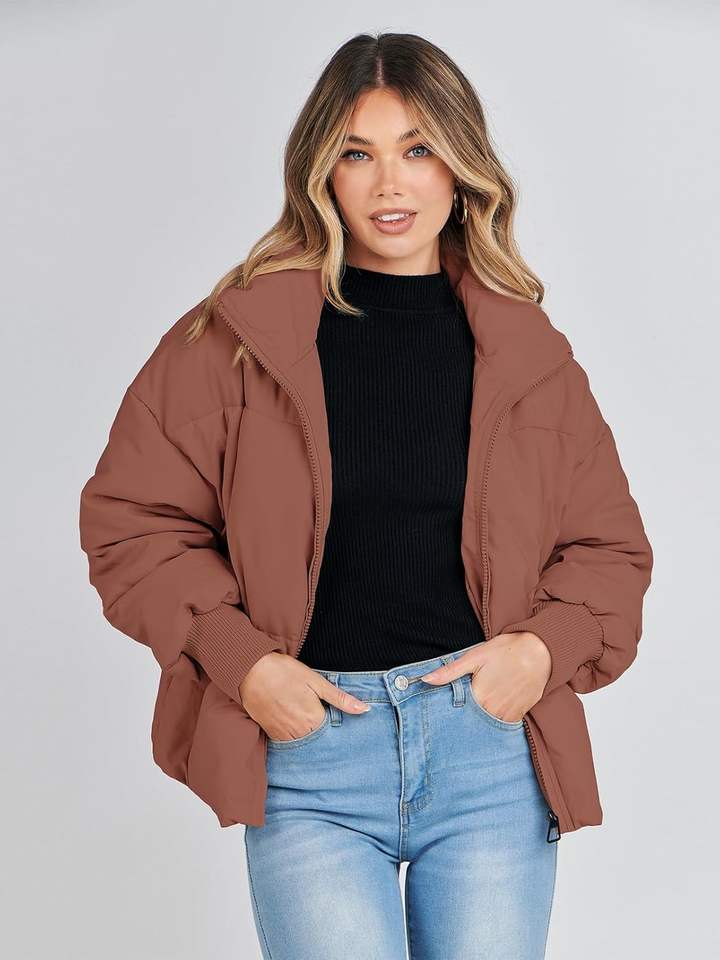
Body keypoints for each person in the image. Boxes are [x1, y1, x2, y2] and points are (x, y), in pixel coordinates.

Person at [79, 31, 654, 960]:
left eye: (418, 149)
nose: (391, 184)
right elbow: (133, 524)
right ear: (321, 174)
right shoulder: (232, 343)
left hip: (488, 755)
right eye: (358, 153)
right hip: (310, 755)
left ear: (461, 168)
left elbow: (608, 549)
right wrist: (242, 662)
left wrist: (543, 652)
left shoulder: (529, 356)